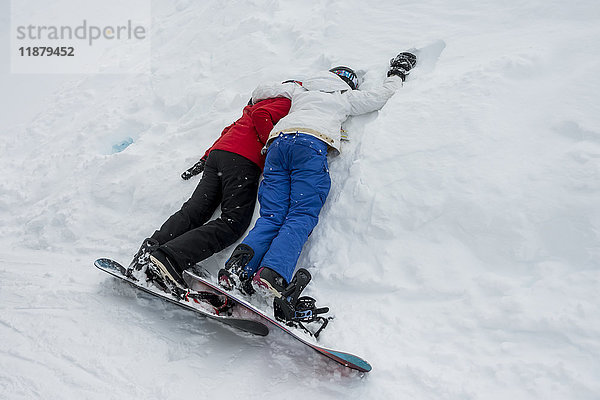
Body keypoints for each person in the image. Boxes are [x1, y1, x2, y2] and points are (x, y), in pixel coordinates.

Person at [219, 52, 418, 297]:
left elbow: (261, 90)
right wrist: (397, 74)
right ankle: (272, 272)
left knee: (272, 215)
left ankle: (239, 267)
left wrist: (290, 87)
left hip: (277, 146)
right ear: (348, 83)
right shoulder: (345, 97)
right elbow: (380, 96)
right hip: (309, 146)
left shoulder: (300, 90)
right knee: (301, 213)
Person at [128, 96, 291, 291]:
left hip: (219, 154)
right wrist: (270, 148)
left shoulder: (261, 100)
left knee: (195, 210)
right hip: (243, 159)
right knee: (233, 222)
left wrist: (206, 157)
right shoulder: (288, 100)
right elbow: (260, 116)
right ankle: (170, 259)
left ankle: (149, 251)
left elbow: (229, 130)